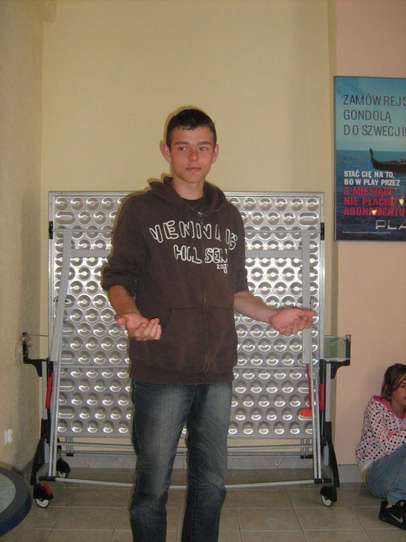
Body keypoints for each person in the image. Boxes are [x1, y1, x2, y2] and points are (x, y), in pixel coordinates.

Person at [101, 107, 315, 542]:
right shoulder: (141, 210)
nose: (193, 157)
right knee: (152, 487)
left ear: (216, 152)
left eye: (202, 148)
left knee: (212, 486)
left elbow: (235, 291)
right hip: (161, 370)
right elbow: (117, 278)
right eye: (183, 147)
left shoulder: (229, 216)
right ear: (167, 152)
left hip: (217, 371)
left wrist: (272, 315)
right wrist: (131, 315)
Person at [355, 363, 406, 530]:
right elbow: (387, 445)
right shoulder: (376, 407)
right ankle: (393, 506)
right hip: (374, 475)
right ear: (389, 388)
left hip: (397, 477)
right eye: (403, 386)